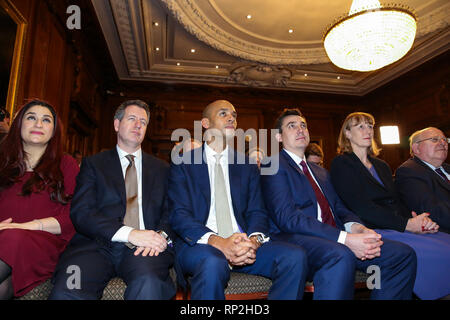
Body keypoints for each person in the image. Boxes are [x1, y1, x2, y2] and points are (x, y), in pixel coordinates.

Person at [260, 108, 417, 300]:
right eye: (292, 126)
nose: (300, 130)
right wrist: (344, 238)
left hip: (336, 236)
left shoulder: (321, 172)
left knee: (401, 254)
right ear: (278, 137)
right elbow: (288, 218)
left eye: (303, 125)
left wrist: (357, 228)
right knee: (340, 254)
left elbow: (340, 207)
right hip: (295, 238)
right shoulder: (272, 165)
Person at [168, 100, 308, 300]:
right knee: (212, 262)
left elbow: (257, 212)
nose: (231, 117)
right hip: (200, 245)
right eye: (223, 113)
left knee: (294, 256)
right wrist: (219, 242)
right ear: (205, 124)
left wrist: (253, 241)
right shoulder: (183, 164)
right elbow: (179, 215)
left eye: (234, 114)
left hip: (243, 243)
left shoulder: (246, 165)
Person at [49, 100, 175, 300]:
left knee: (149, 285)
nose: (138, 125)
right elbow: (82, 212)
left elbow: (172, 212)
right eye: (132, 119)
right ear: (116, 124)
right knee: (69, 289)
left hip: (146, 249)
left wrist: (160, 236)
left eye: (143, 122)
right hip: (95, 246)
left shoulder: (162, 169)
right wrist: (130, 233)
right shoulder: (94, 164)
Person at [330, 112, 450, 300]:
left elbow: (396, 202)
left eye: (370, 126)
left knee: (444, 239)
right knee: (441, 252)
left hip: (396, 225)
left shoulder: (382, 165)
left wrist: (418, 222)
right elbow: (361, 208)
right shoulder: (342, 163)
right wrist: (407, 225)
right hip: (370, 229)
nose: (367, 130)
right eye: (360, 126)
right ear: (347, 133)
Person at [0, 100, 79, 299]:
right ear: (19, 125)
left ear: (54, 130)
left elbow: (73, 217)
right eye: (31, 118)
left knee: (12, 238)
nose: (38, 124)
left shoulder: (66, 165)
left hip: (46, 245)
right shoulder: (2, 162)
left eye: (46, 120)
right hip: (4, 240)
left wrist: (23, 227)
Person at [395, 127, 450, 234]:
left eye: (445, 140)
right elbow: (432, 211)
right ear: (417, 148)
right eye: (434, 139)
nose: (442, 143)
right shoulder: (409, 171)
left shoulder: (447, 168)